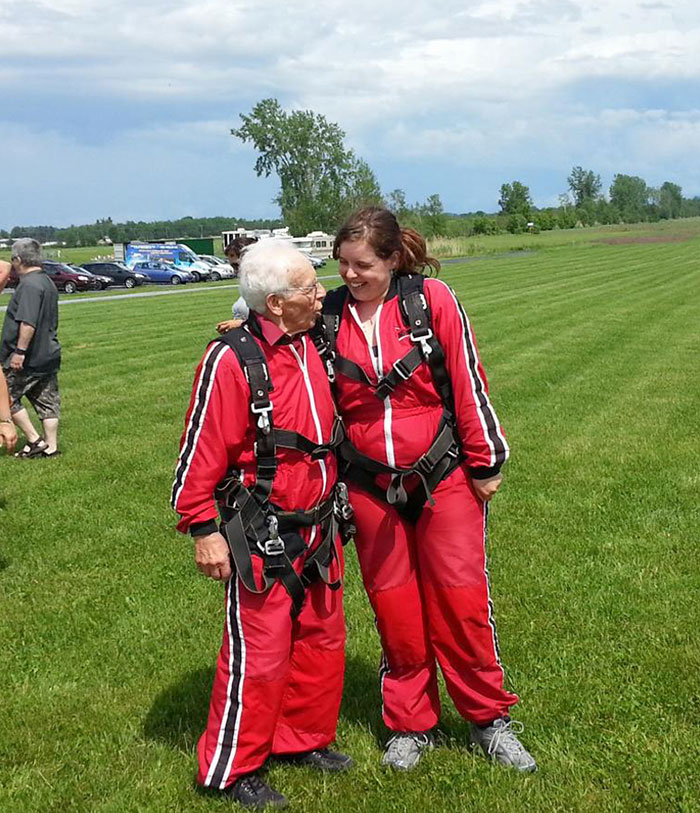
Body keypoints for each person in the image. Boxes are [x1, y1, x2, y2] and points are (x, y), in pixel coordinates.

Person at [320, 207, 536, 773]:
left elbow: (467, 376)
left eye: (362, 264)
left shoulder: (429, 300)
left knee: (460, 601)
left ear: (392, 259)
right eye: (341, 263)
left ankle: (488, 720)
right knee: (394, 607)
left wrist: (486, 458)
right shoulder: (328, 315)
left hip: (444, 478)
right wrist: (240, 324)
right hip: (368, 486)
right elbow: (272, 322)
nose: (350, 274)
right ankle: (409, 723)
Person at [171, 241, 351, 809]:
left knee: (322, 638)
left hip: (321, 524)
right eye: (309, 287)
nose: (321, 292)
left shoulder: (315, 339)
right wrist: (203, 529)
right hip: (263, 529)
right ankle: (234, 768)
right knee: (260, 652)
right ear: (275, 303)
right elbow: (198, 452)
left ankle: (302, 740)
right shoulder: (232, 359)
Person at [0, 239, 61, 458]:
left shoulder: (28, 285)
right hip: (48, 353)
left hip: (28, 357)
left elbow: (28, 322)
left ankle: (35, 440)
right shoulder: (46, 281)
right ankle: (51, 446)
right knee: (47, 400)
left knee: (7, 398)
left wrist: (19, 352)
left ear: (18, 260)